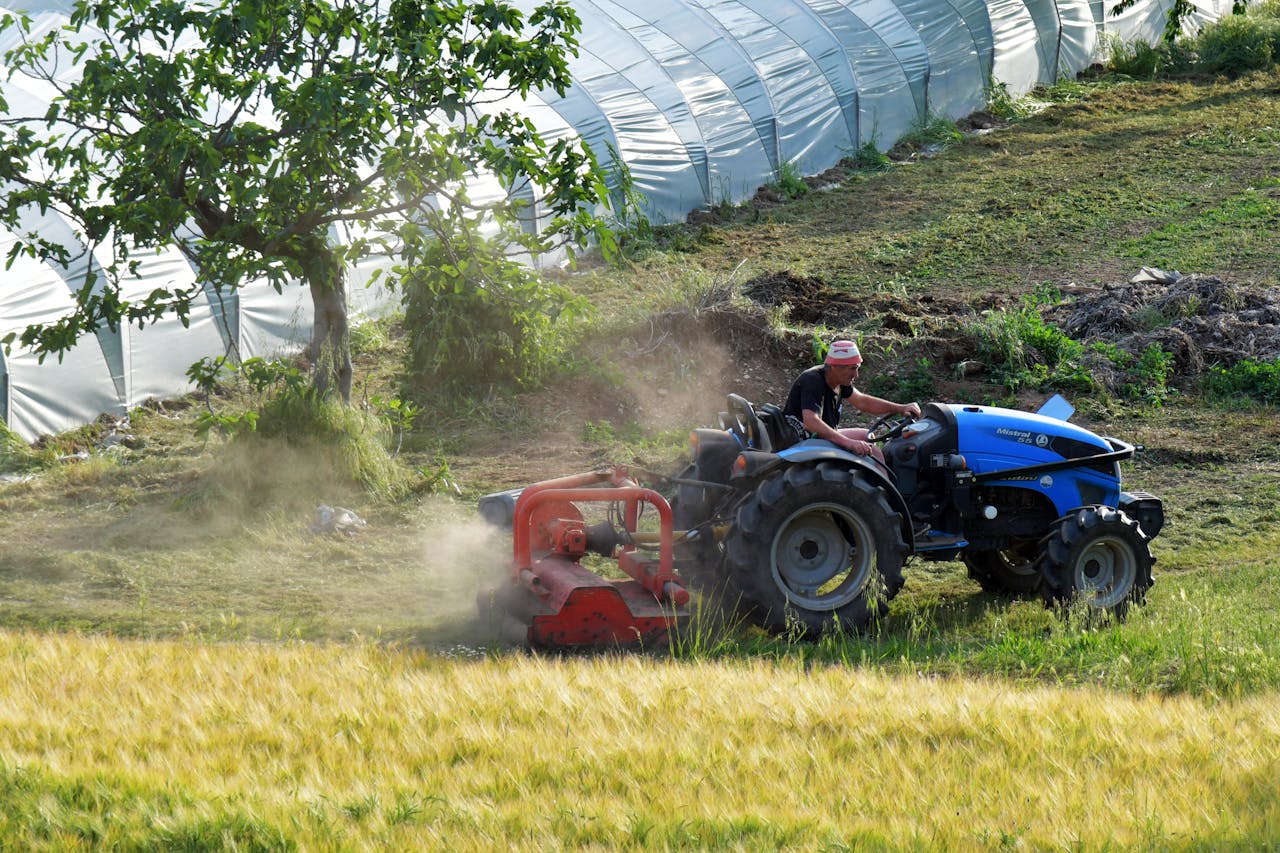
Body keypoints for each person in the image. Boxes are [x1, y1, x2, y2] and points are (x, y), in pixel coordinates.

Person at [782, 339, 922, 459]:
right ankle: (883, 490)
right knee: (872, 451)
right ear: (835, 367)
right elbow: (810, 422)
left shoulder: (839, 381)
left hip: (817, 438)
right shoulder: (813, 380)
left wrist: (900, 408)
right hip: (802, 441)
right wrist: (848, 442)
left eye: (857, 368)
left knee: (865, 436)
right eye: (852, 369)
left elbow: (862, 402)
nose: (856, 375)